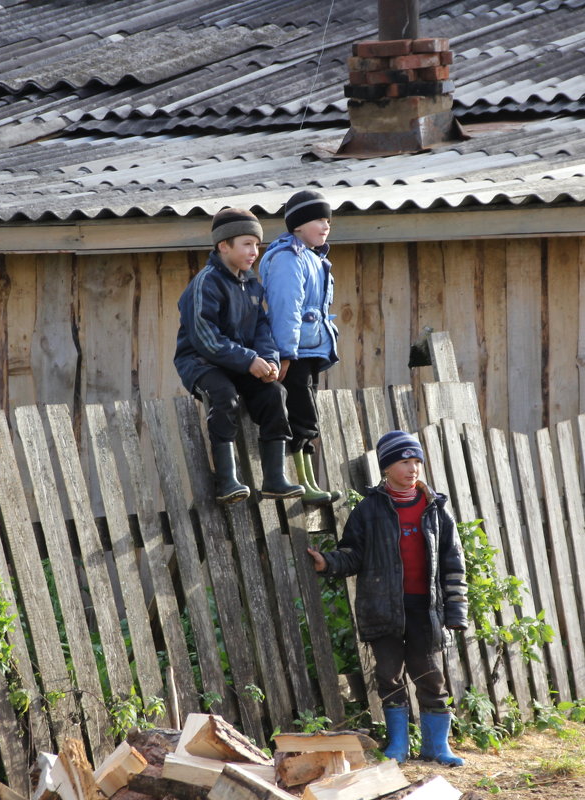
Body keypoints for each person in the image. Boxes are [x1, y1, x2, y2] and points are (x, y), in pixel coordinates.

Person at [307, 430, 468, 766]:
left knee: (429, 673)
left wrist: (456, 610)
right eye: (404, 462)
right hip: (382, 608)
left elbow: (454, 563)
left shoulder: (437, 510)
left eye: (417, 462)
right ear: (386, 468)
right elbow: (353, 554)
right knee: (389, 674)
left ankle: (437, 746)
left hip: (426, 610)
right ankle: (398, 745)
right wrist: (329, 562)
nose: (413, 469)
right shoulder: (369, 511)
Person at [174, 207, 304, 504]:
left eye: (257, 245)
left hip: (241, 364)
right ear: (223, 245)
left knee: (274, 394)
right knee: (224, 396)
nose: (254, 252)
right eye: (247, 243)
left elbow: (262, 328)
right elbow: (205, 338)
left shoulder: (252, 284)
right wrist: (249, 360)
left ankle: (274, 479)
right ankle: (227, 481)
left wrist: (269, 360)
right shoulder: (206, 283)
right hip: (201, 363)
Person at [259, 189, 339, 504]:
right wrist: (286, 354)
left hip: (310, 350)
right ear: (297, 225)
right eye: (318, 218)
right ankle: (302, 484)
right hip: (294, 352)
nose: (325, 225)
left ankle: (308, 480)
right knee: (299, 416)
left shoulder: (313, 257)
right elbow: (285, 307)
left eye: (328, 219)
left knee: (306, 416)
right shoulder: (287, 257)